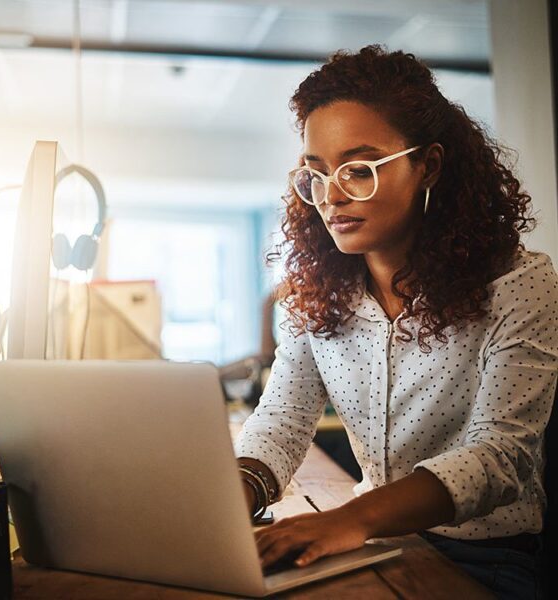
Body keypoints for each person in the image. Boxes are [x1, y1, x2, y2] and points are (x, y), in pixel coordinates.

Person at [234, 45, 557, 600]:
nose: (331, 196)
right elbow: (284, 420)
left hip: (489, 559)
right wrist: (236, 491)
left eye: (359, 170)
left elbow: (500, 455)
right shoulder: (313, 297)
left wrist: (351, 519)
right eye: (317, 174)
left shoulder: (519, 283)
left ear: (428, 165)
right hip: (381, 544)